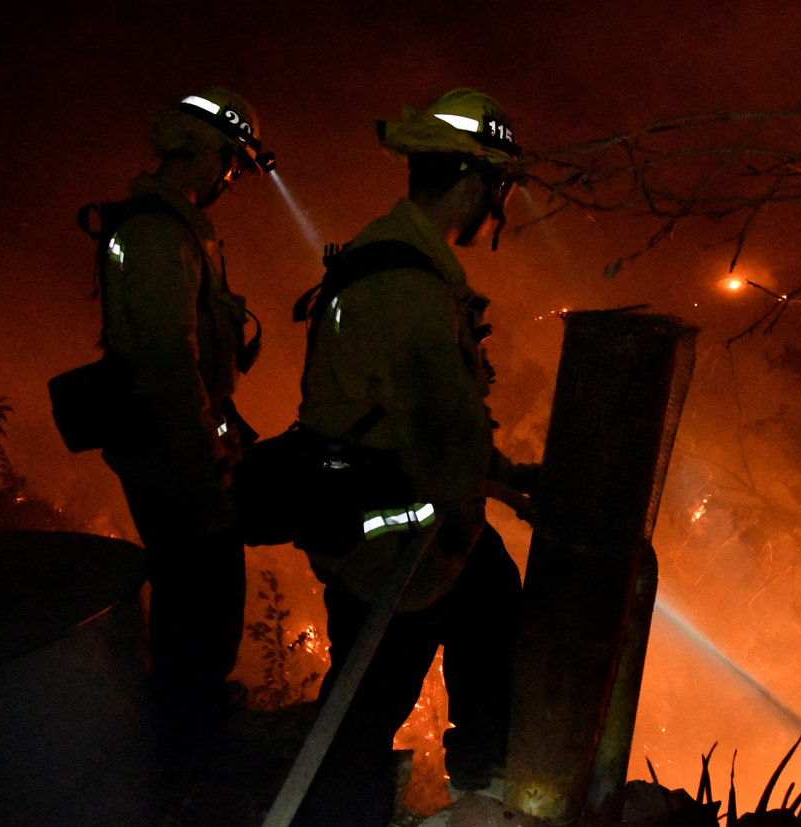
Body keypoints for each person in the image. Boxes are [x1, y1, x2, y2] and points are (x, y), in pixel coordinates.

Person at [292, 88, 535, 826]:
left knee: (490, 589)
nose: (497, 206)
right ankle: (341, 813)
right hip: (392, 543)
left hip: (419, 527)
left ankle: (482, 787)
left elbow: (442, 421)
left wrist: (507, 477)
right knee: (365, 712)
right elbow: (438, 433)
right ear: (472, 182)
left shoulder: (408, 266)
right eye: (497, 188)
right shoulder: (407, 285)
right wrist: (498, 483)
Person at [96, 87, 275, 734]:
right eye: (232, 164)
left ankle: (190, 716)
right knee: (201, 589)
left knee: (198, 586)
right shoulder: (157, 235)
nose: (231, 178)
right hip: (172, 452)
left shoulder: (167, 227)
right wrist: (208, 468)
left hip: (172, 442)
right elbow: (170, 366)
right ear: (205, 152)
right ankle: (189, 734)